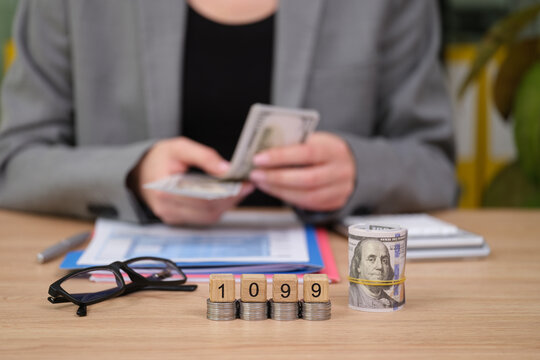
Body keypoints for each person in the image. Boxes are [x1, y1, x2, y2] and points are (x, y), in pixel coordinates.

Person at [0, 0, 457, 226]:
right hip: (129, 301)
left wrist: (360, 171)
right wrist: (133, 175)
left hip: (327, 308)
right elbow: (13, 158)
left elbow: (436, 167)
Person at [349, 239, 401, 309]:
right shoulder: (350, 296)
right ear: (358, 265)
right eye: (371, 259)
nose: (379, 266)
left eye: (384, 261)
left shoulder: (393, 303)